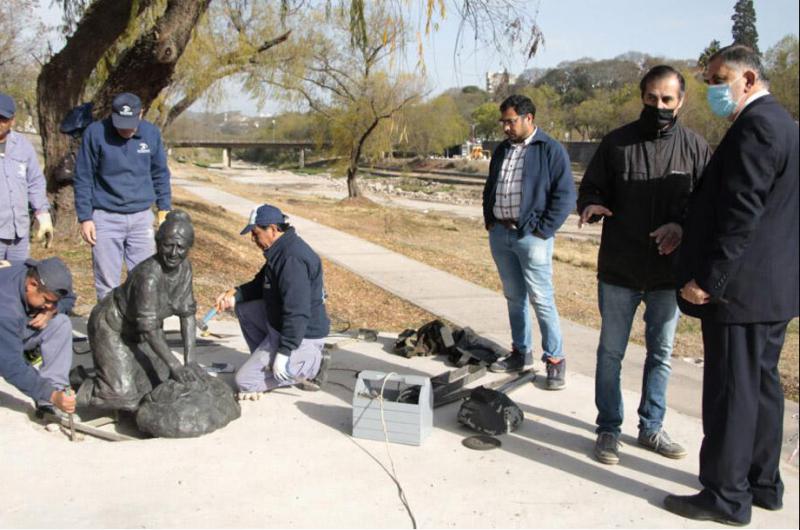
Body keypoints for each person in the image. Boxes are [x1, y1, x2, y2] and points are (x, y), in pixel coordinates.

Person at [665, 45, 799, 526]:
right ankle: (763, 483)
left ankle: (725, 495)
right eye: (710, 78)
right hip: (772, 288)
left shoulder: (757, 127)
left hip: (741, 291)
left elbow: (742, 214)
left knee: (732, 392)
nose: (713, 87)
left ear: (749, 79)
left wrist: (709, 280)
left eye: (720, 78)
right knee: (762, 390)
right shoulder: (786, 124)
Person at [577, 65, 711, 465]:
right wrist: (590, 205)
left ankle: (651, 427)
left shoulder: (695, 148)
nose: (659, 106)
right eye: (652, 98)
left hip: (668, 275)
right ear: (642, 97)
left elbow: (709, 207)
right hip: (619, 268)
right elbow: (590, 187)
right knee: (610, 353)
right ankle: (608, 428)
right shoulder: (616, 144)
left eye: (667, 99)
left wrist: (682, 227)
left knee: (661, 353)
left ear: (681, 101)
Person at [481, 94, 576, 389]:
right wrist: (490, 220)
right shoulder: (501, 150)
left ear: (528, 118)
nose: (506, 128)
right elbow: (491, 186)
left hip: (531, 237)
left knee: (542, 299)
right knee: (514, 298)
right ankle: (521, 353)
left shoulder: (550, 149)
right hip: (501, 234)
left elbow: (565, 195)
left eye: (510, 121)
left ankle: (555, 360)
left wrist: (542, 231)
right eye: (503, 122)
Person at [75, 210, 197, 411]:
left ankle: (112, 374)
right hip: (112, 327)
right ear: (158, 243)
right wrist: (176, 365)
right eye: (168, 245)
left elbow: (187, 314)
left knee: (158, 382)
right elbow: (150, 329)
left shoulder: (185, 269)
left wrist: (190, 361)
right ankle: (85, 385)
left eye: (181, 247)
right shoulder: (148, 277)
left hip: (140, 331)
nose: (174, 253)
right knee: (124, 399)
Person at [215, 204, 330, 396]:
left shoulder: (292, 259)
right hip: (281, 325)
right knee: (244, 308)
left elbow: (297, 311)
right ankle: (268, 363)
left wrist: (284, 352)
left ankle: (310, 366)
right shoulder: (279, 251)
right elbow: (260, 285)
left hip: (303, 336)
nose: (253, 239)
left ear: (273, 229)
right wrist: (234, 295)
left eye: (256, 233)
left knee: (245, 382)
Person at [73, 92, 171, 301]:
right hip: (105, 217)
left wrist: (165, 209)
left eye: (131, 123)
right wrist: (85, 217)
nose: (126, 129)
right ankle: (109, 330)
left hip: (141, 217)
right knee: (107, 283)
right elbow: (83, 177)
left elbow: (160, 173)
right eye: (121, 123)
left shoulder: (151, 134)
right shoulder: (95, 133)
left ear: (141, 113)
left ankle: (139, 330)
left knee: (145, 280)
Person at [0, 257, 76, 416]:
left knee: (60, 323)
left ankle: (51, 398)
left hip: (15, 329)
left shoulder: (36, 272)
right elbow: (10, 364)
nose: (50, 305)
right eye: (47, 301)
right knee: (11, 360)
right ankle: (52, 396)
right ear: (32, 284)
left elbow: (69, 297)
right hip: (5, 334)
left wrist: (52, 311)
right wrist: (50, 394)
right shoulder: (6, 306)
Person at [0, 92, 54, 260]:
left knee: (17, 280)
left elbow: (35, 182)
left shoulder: (23, 145)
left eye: (3, 119)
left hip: (19, 233)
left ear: (12, 120)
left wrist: (42, 214)